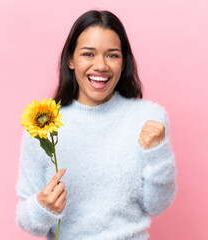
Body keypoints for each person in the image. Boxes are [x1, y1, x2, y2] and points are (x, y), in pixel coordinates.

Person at [16, 10, 177, 240]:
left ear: (124, 62)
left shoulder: (149, 118)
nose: (100, 66)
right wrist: (42, 208)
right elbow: (28, 222)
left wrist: (158, 154)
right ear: (70, 60)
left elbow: (157, 206)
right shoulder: (43, 127)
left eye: (112, 55)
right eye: (88, 54)